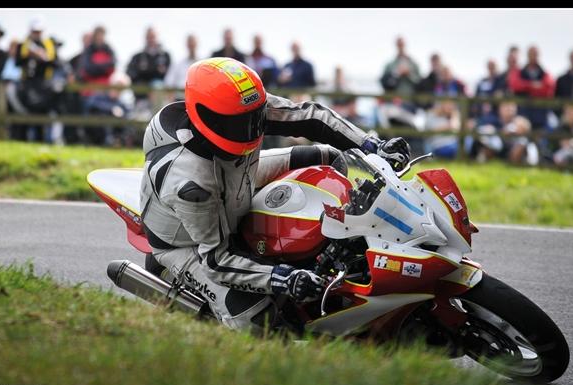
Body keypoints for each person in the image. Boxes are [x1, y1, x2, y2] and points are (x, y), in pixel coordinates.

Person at [139, 58, 410, 331]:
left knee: (330, 159)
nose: (252, 127)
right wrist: (282, 278)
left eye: (255, 117)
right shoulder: (189, 181)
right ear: (205, 115)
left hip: (239, 174)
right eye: (240, 122)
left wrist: (371, 144)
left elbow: (310, 117)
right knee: (258, 320)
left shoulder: (242, 107)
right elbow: (216, 260)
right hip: (187, 243)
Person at [12, 18, 61, 141]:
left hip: (43, 86)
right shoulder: (22, 45)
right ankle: (22, 142)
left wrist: (42, 57)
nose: (37, 34)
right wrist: (28, 56)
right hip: (26, 86)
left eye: (39, 31)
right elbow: (17, 63)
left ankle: (40, 141)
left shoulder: (49, 45)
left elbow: (56, 63)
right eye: (34, 31)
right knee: (24, 116)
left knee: (41, 117)